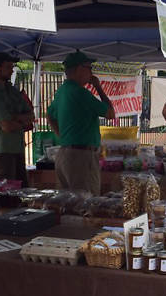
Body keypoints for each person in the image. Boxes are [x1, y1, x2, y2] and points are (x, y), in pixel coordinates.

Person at [47, 52, 115, 195]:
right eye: (89, 68)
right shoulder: (80, 93)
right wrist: (98, 87)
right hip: (82, 157)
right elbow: (110, 113)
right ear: (79, 69)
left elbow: (49, 116)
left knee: (67, 202)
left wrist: (63, 137)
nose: (91, 73)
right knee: (86, 203)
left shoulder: (62, 91)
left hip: (65, 153)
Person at [0, 52, 34, 186]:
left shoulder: (12, 90)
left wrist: (15, 118)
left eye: (12, 67)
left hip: (17, 150)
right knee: (5, 195)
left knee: (21, 194)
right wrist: (22, 121)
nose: (11, 71)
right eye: (8, 67)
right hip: (1, 153)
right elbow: (7, 126)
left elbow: (31, 115)